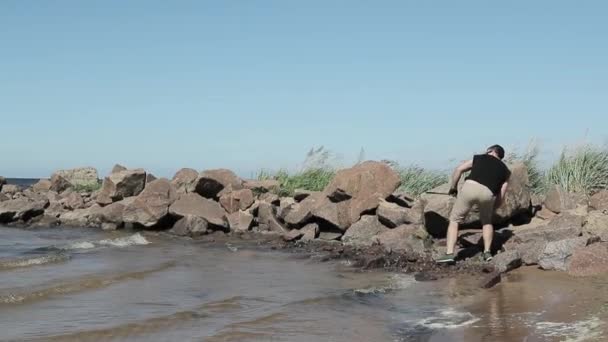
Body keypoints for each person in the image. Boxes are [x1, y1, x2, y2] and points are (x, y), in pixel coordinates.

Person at [436, 144, 511, 264]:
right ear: (500, 157)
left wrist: (453, 187)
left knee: (454, 220)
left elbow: (459, 169)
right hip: (488, 193)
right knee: (487, 222)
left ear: (490, 151)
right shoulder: (506, 171)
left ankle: (449, 254)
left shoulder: (479, 158)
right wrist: (494, 208)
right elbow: (502, 193)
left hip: (470, 188)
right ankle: (487, 252)